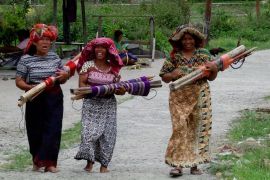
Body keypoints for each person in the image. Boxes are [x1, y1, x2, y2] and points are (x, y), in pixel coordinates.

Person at [159, 24, 218, 177]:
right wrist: (173, 74)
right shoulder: (174, 56)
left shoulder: (204, 54)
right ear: (180, 41)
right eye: (184, 39)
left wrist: (214, 69)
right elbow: (164, 77)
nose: (187, 41)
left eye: (190, 38)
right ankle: (177, 165)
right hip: (178, 97)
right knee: (180, 129)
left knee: (197, 128)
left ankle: (194, 164)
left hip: (200, 94)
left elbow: (211, 77)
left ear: (195, 40)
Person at [15, 24, 69, 173]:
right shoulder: (26, 60)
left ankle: (51, 163)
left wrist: (65, 76)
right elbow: (19, 81)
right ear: (33, 42)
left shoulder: (55, 57)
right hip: (34, 97)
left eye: (48, 39)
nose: (45, 42)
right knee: (35, 129)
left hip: (54, 97)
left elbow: (62, 78)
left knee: (53, 128)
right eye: (42, 39)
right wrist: (29, 88)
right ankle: (37, 161)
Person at [74, 37, 125, 173]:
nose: (99, 50)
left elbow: (118, 90)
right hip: (91, 103)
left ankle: (104, 165)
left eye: (103, 47)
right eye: (97, 47)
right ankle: (89, 162)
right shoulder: (88, 65)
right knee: (89, 133)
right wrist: (94, 90)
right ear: (93, 49)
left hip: (108, 104)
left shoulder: (113, 68)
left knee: (108, 135)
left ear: (109, 51)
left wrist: (121, 90)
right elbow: (81, 86)